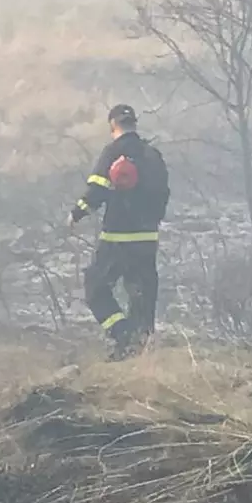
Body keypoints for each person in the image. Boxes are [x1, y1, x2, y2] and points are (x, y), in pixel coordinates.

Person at [68, 104, 170, 360]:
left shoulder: (113, 152)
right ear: (135, 123)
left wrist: (76, 214)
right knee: (141, 294)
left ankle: (123, 335)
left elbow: (96, 191)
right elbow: (164, 194)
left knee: (96, 288)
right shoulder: (153, 155)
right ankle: (139, 347)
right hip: (148, 239)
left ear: (113, 125)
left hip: (117, 238)